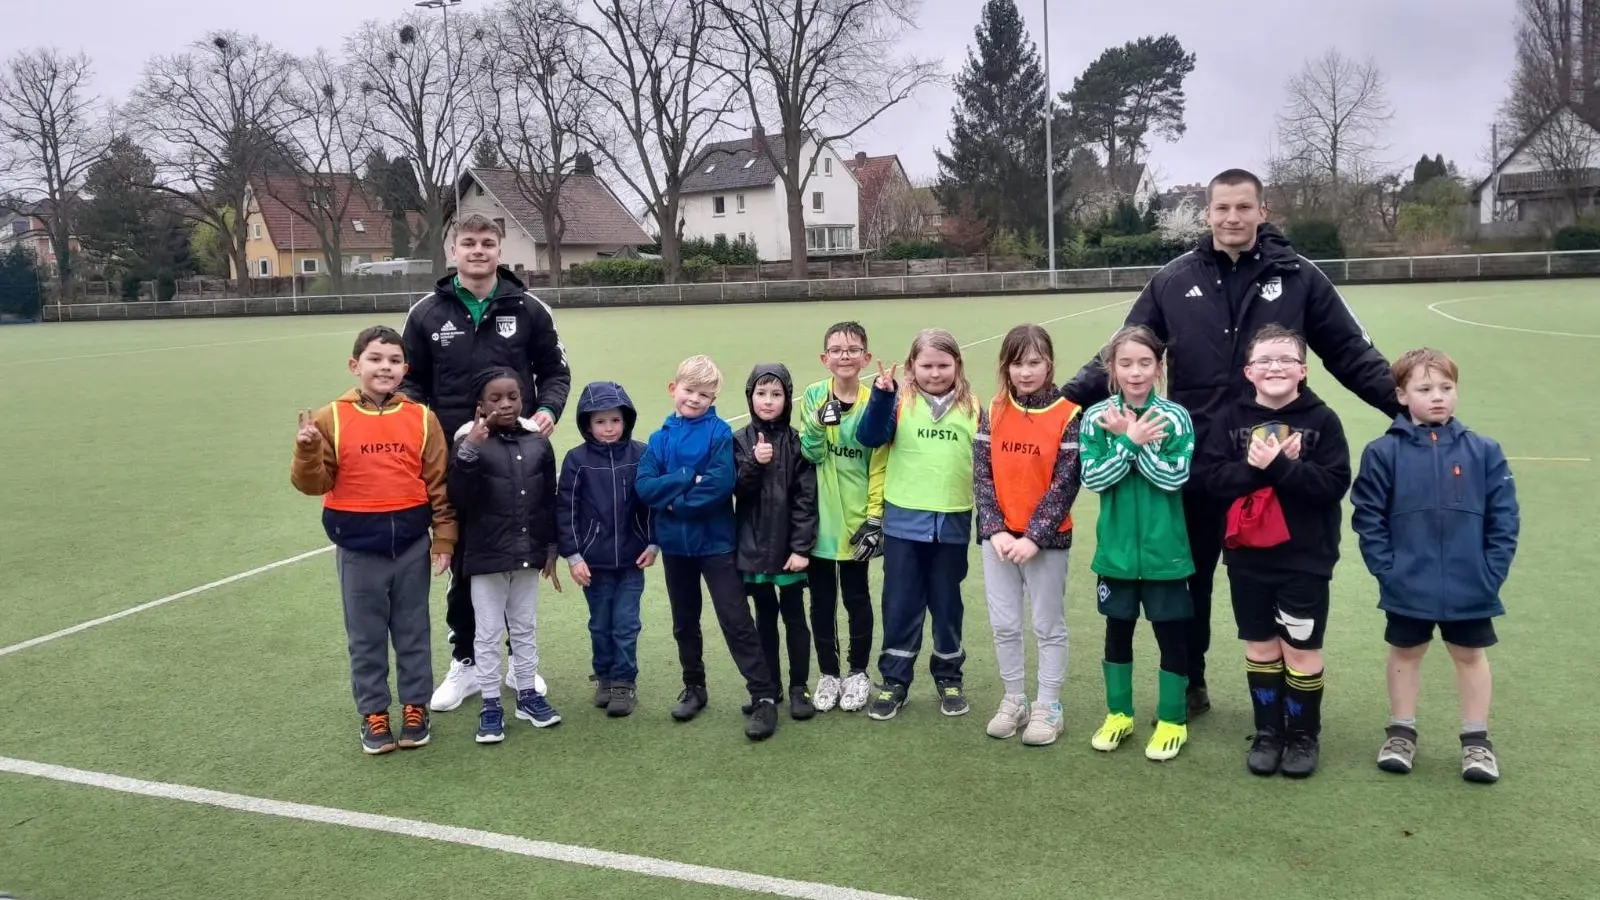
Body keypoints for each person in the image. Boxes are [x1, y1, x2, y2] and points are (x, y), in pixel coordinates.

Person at [1060, 168, 1401, 718]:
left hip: (1268, 465)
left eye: (1244, 207)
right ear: (1208, 214)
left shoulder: (1299, 277)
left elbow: (1349, 351)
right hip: (1196, 461)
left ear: (1262, 211)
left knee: (1270, 579)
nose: (1232, 218)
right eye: (1222, 208)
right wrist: (1062, 403)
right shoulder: (1174, 278)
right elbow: (1125, 349)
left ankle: (1285, 705)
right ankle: (1190, 682)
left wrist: (1403, 407)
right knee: (1188, 577)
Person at [401, 214, 571, 713]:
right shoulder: (427, 313)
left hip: (520, 455)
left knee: (520, 553)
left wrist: (546, 411)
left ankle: (522, 664)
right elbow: (410, 383)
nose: (478, 250)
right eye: (469, 243)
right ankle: (468, 662)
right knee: (468, 560)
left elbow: (556, 372)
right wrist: (432, 431)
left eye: (488, 243)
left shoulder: (528, 308)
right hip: (460, 456)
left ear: (500, 250)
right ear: (453, 250)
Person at [1350, 348, 1520, 784]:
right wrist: (1387, 570)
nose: (1438, 397)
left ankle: (1476, 740)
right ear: (1402, 396)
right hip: (1408, 579)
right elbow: (1368, 517)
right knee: (1406, 650)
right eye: (1424, 389)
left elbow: (1505, 518)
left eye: (1446, 387)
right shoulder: (1382, 452)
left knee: (1469, 653)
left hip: (1471, 581)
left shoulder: (1483, 450)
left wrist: (1491, 571)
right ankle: (1401, 732)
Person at [291, 325, 455, 755]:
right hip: (358, 549)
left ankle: (415, 707)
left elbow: (438, 483)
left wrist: (443, 540)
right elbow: (313, 483)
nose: (385, 367)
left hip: (412, 547)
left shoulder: (422, 418)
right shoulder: (331, 418)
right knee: (364, 636)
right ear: (355, 365)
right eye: (375, 359)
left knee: (413, 630)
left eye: (394, 361)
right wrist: (307, 450)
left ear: (405, 369)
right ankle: (374, 712)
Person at [1197, 325, 1351, 778]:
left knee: (1300, 651)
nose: (1275, 367)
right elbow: (1211, 480)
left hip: (1304, 560)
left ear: (1303, 370)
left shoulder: (1323, 421)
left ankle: (1303, 736)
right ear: (1249, 371)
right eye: (1265, 360)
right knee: (1261, 648)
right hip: (1247, 559)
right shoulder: (1230, 420)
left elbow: (1332, 486)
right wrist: (1258, 466)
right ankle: (1269, 732)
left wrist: (1282, 467)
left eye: (1286, 359)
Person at [635, 355, 782, 741]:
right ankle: (694, 686)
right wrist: (685, 477)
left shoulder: (720, 435)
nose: (695, 399)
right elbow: (645, 487)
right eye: (689, 391)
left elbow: (718, 488)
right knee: (685, 622)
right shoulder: (659, 438)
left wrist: (673, 500)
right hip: (675, 549)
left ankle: (763, 697)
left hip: (716, 545)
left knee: (735, 620)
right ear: (673, 389)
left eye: (704, 394)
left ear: (714, 397)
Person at [1078, 325, 1196, 761]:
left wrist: (1136, 444)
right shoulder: (1095, 418)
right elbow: (1093, 479)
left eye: (1145, 363)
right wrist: (1130, 440)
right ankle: (1119, 715)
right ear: (1112, 368)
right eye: (1125, 363)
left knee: (1171, 636)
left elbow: (1173, 478)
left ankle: (1171, 720)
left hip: (1167, 553)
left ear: (1159, 368)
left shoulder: (1176, 417)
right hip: (1117, 554)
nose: (1136, 372)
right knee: (1117, 632)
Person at [856, 329, 982, 722]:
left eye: (943, 365)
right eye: (926, 365)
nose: (935, 373)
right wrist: (880, 395)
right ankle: (895, 681)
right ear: (912, 366)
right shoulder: (898, 401)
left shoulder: (974, 407)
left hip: (953, 521)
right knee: (901, 604)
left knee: (947, 603)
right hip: (903, 524)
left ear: (957, 366)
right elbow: (869, 436)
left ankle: (949, 676)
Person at [975, 325, 1082, 747]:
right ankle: (1014, 698)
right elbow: (982, 475)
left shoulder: (1069, 411)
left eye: (1034, 362)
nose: (1025, 372)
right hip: (999, 541)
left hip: (1046, 541)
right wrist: (997, 529)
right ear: (1006, 366)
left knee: (1047, 625)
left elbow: (1065, 482)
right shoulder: (994, 409)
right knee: (1004, 624)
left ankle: (1049, 706)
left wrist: (1034, 537)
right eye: (1017, 363)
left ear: (1049, 363)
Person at [448, 367, 563, 744]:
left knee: (525, 626)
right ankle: (491, 703)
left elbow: (548, 499)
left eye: (512, 396)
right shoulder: (469, 441)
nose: (506, 404)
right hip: (486, 556)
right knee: (488, 632)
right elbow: (458, 498)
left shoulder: (538, 443)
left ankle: (527, 694)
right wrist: (470, 451)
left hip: (528, 554)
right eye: (495, 399)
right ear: (480, 405)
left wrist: (550, 547)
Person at [797, 322, 888, 713]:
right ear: (825, 358)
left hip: (856, 523)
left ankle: (858, 672)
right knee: (821, 601)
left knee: (856, 597)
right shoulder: (815, 395)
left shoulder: (874, 402)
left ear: (865, 358)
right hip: (820, 523)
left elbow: (879, 463)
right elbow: (811, 454)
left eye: (853, 350)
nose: (844, 356)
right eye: (836, 349)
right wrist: (818, 423)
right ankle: (829, 673)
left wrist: (874, 517)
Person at [557, 381, 657, 718]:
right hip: (593, 563)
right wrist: (573, 556)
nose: (609, 428)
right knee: (600, 623)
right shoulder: (577, 460)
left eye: (615, 420)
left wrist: (654, 543)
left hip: (633, 560)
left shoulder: (642, 454)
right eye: (600, 422)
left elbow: (654, 503)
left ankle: (624, 682)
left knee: (626, 622)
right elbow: (566, 510)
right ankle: (604, 675)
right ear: (587, 424)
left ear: (626, 420)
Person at [734, 363, 820, 720]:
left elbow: (806, 498)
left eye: (776, 394)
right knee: (764, 620)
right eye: (761, 393)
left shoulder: (797, 442)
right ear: (750, 396)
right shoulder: (739, 439)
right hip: (754, 548)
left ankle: (800, 686)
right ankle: (769, 688)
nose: (768, 401)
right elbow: (737, 488)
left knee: (795, 617)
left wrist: (801, 548)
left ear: (787, 397)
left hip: (787, 550)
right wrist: (754, 463)